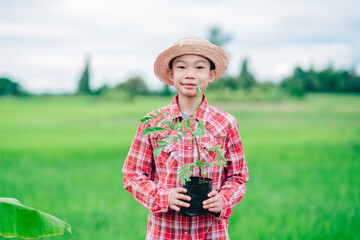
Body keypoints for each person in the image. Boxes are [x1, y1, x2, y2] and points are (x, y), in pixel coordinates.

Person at [122, 36, 249, 240]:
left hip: (211, 233)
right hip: (164, 233)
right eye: (182, 67)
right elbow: (132, 174)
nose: (190, 74)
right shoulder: (153, 123)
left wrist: (223, 200)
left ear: (212, 74)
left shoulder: (226, 123)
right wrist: (164, 197)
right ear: (171, 74)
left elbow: (238, 177)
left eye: (199, 68)